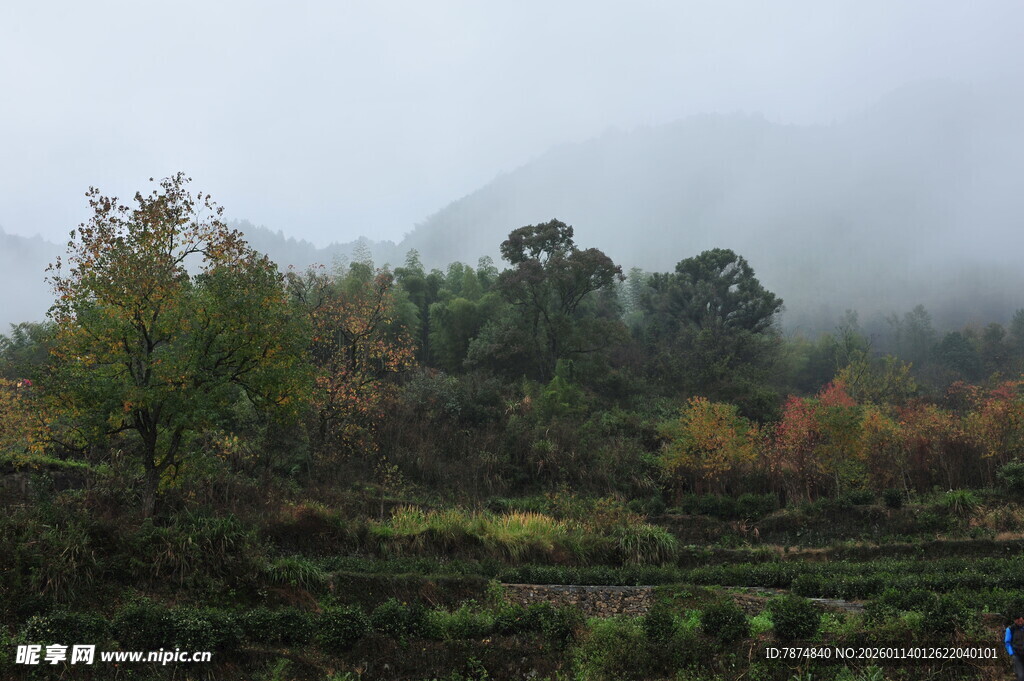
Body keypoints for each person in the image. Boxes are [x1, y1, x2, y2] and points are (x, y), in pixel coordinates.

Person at [1006, 614, 1024, 681]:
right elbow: (1007, 643)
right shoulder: (1010, 629)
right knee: (1021, 676)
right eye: (1018, 621)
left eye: (1021, 621)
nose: (1020, 623)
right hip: (1017, 655)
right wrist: (1011, 653)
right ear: (1015, 620)